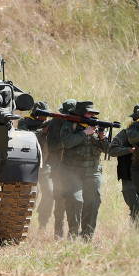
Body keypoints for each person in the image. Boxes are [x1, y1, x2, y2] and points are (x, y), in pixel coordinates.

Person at [59, 100, 109, 239]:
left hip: (93, 171)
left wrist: (102, 138)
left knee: (93, 202)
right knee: (75, 200)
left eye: (94, 113)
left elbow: (109, 150)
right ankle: (73, 234)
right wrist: (84, 133)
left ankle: (87, 236)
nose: (92, 115)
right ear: (81, 114)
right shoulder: (70, 125)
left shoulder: (99, 127)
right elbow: (66, 142)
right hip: (72, 171)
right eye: (89, 113)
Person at [18, 101, 56, 230]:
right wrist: (42, 131)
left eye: (46, 116)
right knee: (31, 195)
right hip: (29, 165)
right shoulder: (25, 122)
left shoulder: (48, 125)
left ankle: (43, 223)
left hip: (45, 166)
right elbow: (24, 137)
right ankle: (20, 223)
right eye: (42, 115)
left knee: (50, 193)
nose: (44, 118)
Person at [47, 99, 76, 238]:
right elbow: (52, 145)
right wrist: (67, 142)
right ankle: (58, 233)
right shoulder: (55, 122)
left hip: (76, 169)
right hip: (58, 168)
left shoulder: (79, 123)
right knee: (60, 201)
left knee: (76, 200)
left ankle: (74, 233)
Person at [108, 105, 139, 222]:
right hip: (129, 178)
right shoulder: (125, 134)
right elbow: (112, 150)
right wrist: (129, 150)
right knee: (136, 208)